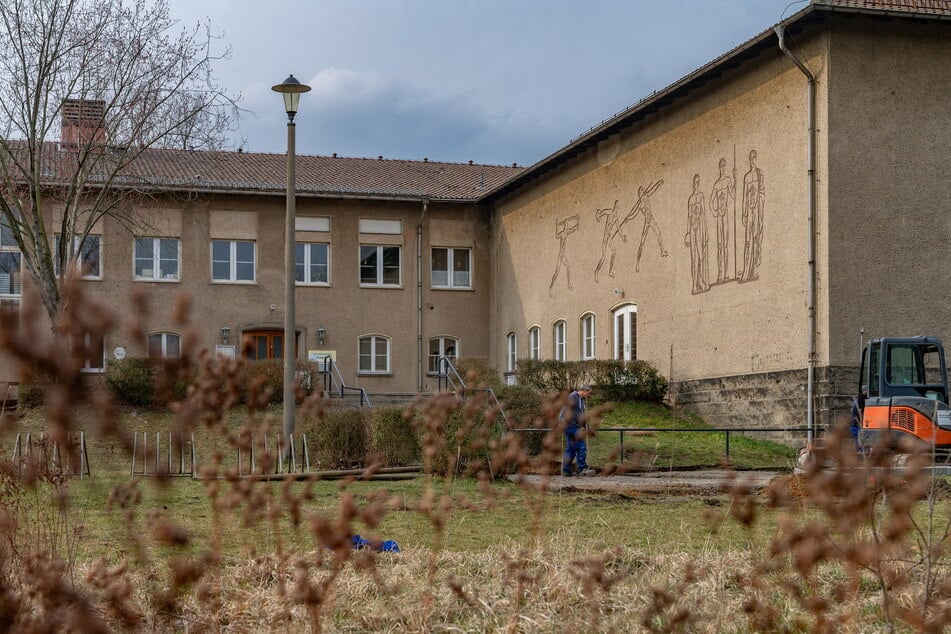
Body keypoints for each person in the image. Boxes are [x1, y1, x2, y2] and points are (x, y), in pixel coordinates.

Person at [561, 385, 595, 476]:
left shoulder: (581, 400)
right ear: (585, 391)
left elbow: (581, 415)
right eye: (589, 393)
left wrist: (587, 427)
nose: (589, 396)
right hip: (570, 426)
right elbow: (566, 409)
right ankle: (582, 468)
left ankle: (566, 470)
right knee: (581, 446)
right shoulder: (574, 396)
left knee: (571, 449)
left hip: (570, 426)